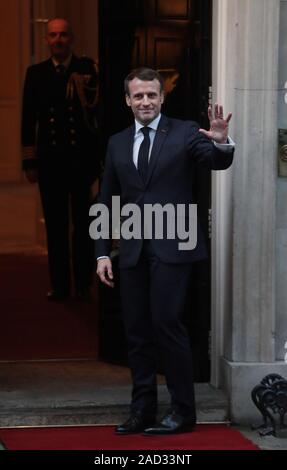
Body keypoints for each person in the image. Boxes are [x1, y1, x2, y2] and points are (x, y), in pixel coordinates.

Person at [96, 67, 234, 435]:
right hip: (132, 252)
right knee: (137, 332)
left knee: (167, 326)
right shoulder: (117, 142)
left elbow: (215, 159)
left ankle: (182, 411)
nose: (145, 101)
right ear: (127, 100)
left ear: (162, 97)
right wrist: (101, 253)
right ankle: (141, 410)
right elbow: (106, 199)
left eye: (152, 95)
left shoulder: (186, 132)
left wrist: (221, 141)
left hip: (175, 246)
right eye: (138, 96)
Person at [22, 18, 100, 301]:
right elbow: (28, 119)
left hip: (81, 163)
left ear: (72, 39)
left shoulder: (88, 70)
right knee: (55, 226)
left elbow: (95, 119)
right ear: (46, 40)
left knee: (83, 225)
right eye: (53, 35)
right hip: (51, 162)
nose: (58, 40)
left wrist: (99, 162)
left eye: (63, 35)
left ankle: (83, 283)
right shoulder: (36, 73)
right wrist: (29, 161)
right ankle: (60, 285)